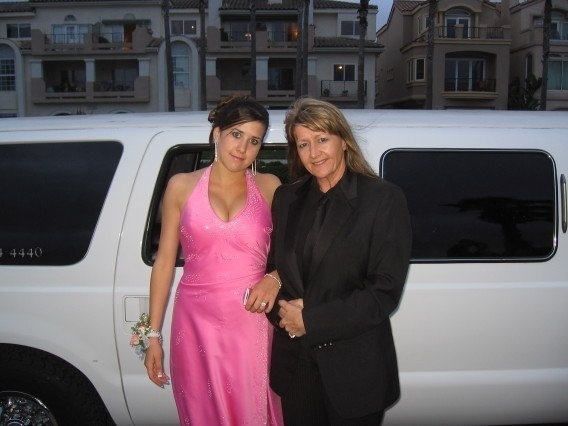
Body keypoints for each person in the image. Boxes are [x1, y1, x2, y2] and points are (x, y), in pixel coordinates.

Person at [265, 97, 412, 425]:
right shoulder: (287, 198)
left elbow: (383, 292)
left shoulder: (382, 199)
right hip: (296, 364)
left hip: (354, 368)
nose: (314, 153)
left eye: (322, 139)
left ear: (343, 140)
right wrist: (284, 312)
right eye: (303, 144)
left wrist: (311, 320)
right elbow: (275, 266)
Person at [144, 95, 284, 425]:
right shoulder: (181, 186)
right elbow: (164, 263)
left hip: (252, 321)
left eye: (254, 141)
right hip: (195, 323)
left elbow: (293, 251)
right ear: (217, 133)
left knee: (253, 411)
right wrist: (153, 336)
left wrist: (275, 277)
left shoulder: (269, 187)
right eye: (236, 134)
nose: (243, 148)